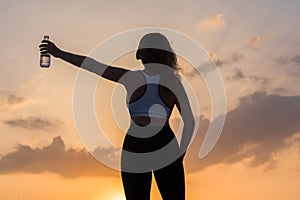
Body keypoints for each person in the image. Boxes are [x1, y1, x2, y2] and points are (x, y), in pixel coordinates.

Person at [39, 32, 195, 200]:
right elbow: (190, 121)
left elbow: (94, 66)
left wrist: (59, 53)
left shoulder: (139, 79)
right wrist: (179, 153)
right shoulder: (171, 83)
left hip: (141, 144)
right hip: (158, 143)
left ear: (142, 55)